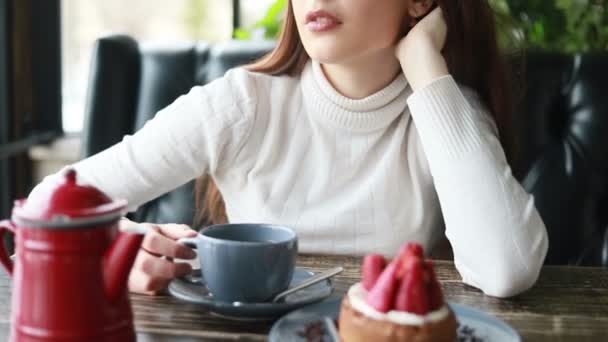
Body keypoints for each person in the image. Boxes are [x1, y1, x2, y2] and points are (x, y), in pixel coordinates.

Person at [34, 0, 548, 297]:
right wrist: (116, 245)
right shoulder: (240, 104)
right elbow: (46, 205)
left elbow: (507, 269)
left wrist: (425, 68)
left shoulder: (444, 112)